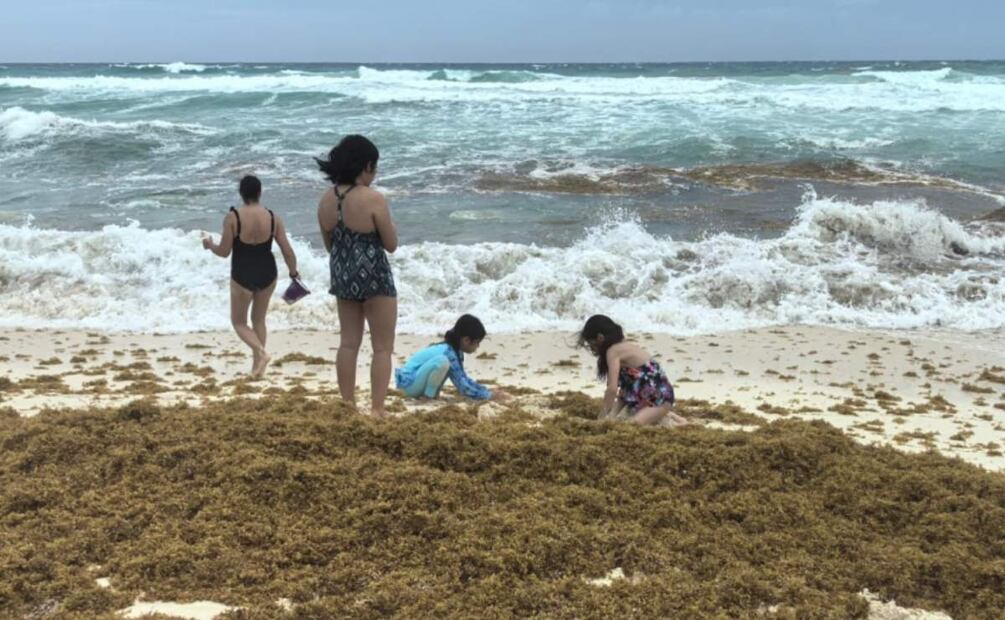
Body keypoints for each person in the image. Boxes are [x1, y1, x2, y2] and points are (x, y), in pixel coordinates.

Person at [317, 135, 398, 417]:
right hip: (375, 275)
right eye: (374, 167)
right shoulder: (373, 198)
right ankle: (377, 409)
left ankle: (348, 405)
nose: (374, 174)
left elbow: (330, 246)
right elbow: (391, 244)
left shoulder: (326, 200)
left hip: (342, 274)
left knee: (349, 343)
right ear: (366, 166)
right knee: (382, 348)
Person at [202, 175, 299, 377]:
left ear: (241, 193)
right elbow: (287, 250)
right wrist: (293, 272)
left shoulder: (233, 218)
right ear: (260, 193)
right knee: (259, 320)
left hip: (242, 274)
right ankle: (258, 368)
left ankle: (261, 354)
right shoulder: (273, 218)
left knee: (239, 322)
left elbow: (224, 252)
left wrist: (210, 245)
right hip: (268, 273)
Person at [578, 314, 685, 426]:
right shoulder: (622, 346)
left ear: (600, 338)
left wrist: (601, 417)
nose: (591, 348)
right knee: (624, 420)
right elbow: (624, 392)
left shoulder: (613, 352)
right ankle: (672, 417)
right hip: (651, 397)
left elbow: (612, 389)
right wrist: (610, 417)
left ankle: (677, 422)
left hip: (659, 398)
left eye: (591, 344)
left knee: (632, 426)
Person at [395, 314, 510, 402]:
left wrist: (485, 390)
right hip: (408, 385)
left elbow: (462, 378)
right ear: (466, 340)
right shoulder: (448, 353)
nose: (478, 347)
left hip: (415, 382)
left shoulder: (455, 352)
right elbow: (462, 386)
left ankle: (431, 395)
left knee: (445, 363)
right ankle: (428, 396)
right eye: (477, 343)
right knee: (442, 362)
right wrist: (488, 396)